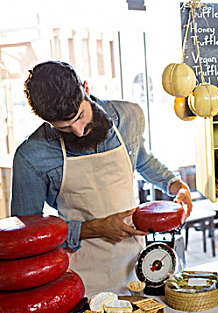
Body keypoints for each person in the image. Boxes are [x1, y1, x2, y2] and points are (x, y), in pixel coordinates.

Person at [11, 61, 193, 295]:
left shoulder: (129, 117)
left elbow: (142, 161)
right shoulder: (31, 156)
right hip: (79, 280)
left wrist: (175, 185)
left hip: (137, 268)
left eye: (79, 116)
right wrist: (94, 229)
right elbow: (29, 236)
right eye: (64, 128)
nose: (78, 131)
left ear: (85, 88)